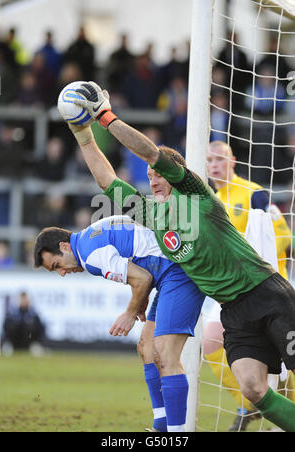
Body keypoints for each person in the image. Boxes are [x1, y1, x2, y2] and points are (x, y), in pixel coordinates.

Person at [67, 81, 295, 432]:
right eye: (148, 176)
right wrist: (82, 134)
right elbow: (107, 180)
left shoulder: (196, 195)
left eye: (159, 174)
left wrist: (105, 117)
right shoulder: (150, 214)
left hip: (266, 293)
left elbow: (150, 153)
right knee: (252, 386)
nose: (153, 178)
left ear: (177, 175)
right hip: (233, 310)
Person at [34, 215, 205, 433]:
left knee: (165, 354)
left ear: (64, 246)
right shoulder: (91, 232)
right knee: (147, 348)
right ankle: (161, 426)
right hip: (168, 272)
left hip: (179, 271)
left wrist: (130, 313)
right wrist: (141, 299)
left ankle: (177, 433)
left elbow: (142, 278)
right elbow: (142, 248)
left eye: (58, 265)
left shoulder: (90, 256)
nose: (62, 273)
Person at [205, 140, 295, 431]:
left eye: (219, 159)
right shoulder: (210, 203)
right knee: (209, 341)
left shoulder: (253, 193)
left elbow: (282, 237)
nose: (213, 165)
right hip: (232, 296)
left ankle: (283, 413)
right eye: (209, 160)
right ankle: (249, 404)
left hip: (268, 289)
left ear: (232, 162)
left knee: (286, 362)